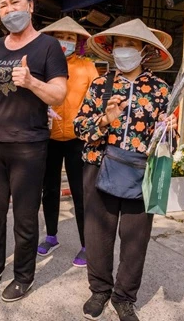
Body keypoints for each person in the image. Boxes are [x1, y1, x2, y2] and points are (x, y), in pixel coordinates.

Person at [0, 0, 68, 302]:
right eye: (3, 6)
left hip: (29, 145)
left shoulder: (48, 46)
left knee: (24, 216)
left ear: (30, 6)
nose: (9, 9)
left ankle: (24, 275)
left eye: (15, 2)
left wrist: (32, 82)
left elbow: (60, 95)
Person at [74, 19, 176, 321]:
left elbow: (167, 139)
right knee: (98, 233)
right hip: (99, 165)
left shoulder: (160, 89)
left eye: (130, 44)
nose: (123, 50)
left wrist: (169, 130)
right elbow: (80, 128)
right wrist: (105, 119)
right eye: (119, 44)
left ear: (144, 51)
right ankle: (100, 290)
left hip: (140, 170)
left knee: (135, 237)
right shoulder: (100, 85)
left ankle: (124, 297)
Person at [37, 17, 98, 266]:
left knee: (81, 193)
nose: (65, 42)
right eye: (60, 36)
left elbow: (97, 101)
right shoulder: (41, 64)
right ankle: (51, 235)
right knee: (49, 189)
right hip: (48, 137)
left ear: (79, 43)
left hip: (77, 139)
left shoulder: (87, 67)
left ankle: (87, 244)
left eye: (70, 38)